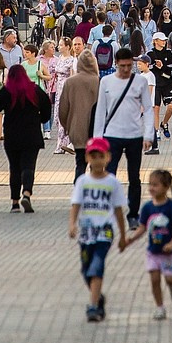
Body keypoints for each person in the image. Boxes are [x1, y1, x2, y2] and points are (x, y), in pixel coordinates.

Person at [68, 136, 129, 322]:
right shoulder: (82, 182)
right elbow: (76, 205)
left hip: (104, 232)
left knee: (96, 266)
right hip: (86, 233)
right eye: (92, 156)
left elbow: (118, 210)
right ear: (87, 158)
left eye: (100, 156)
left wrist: (122, 235)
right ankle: (98, 296)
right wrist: (72, 224)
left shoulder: (112, 183)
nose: (96, 160)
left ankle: (93, 306)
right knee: (86, 270)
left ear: (108, 157)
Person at [93, 47, 154, 231]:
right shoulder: (106, 82)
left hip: (134, 134)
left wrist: (148, 134)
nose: (126, 69)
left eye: (129, 66)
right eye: (122, 66)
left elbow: (149, 109)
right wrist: (97, 139)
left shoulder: (140, 82)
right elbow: (100, 111)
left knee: (134, 177)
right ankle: (109, 212)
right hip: (112, 135)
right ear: (116, 64)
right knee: (109, 175)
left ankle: (133, 214)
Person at [0, 64, 53, 213]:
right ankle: (27, 193)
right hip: (32, 134)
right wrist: (41, 119)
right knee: (29, 166)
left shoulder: (8, 91)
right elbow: (47, 108)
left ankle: (15, 203)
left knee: (14, 168)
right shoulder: (34, 90)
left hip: (12, 135)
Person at [124, 168, 172, 320]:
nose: (151, 188)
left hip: (169, 254)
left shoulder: (170, 207)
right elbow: (143, 227)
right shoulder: (147, 208)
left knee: (170, 279)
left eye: (155, 185)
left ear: (166, 187)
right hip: (153, 252)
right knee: (155, 280)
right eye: (150, 184)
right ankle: (160, 307)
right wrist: (131, 239)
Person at [59, 51, 102, 181]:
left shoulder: (70, 82)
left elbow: (63, 108)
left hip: (77, 128)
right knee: (96, 165)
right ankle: (94, 194)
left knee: (80, 163)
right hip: (96, 130)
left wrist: (67, 126)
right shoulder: (99, 81)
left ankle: (79, 192)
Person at [147, 31, 172, 150]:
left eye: (165, 40)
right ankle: (156, 131)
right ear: (155, 41)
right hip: (155, 84)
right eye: (161, 40)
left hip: (167, 83)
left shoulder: (168, 52)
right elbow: (145, 66)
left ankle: (164, 123)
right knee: (156, 108)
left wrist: (163, 65)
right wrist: (154, 64)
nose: (164, 42)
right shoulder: (150, 53)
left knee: (171, 106)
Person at [49, 37, 77, 154]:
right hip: (58, 89)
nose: (59, 47)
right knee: (57, 117)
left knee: (65, 117)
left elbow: (73, 75)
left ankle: (63, 144)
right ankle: (63, 142)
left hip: (66, 88)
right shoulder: (59, 58)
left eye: (61, 45)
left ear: (67, 46)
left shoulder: (72, 60)